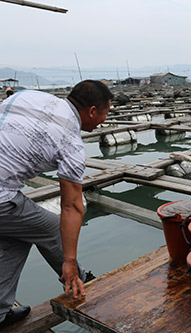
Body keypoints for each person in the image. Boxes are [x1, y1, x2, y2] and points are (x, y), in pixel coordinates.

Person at [0, 80, 114, 329]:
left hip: (5, 190)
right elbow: (71, 206)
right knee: (52, 227)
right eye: (105, 113)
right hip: (2, 197)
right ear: (92, 111)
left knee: (16, 236)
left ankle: (0, 311)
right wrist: (69, 262)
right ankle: (80, 280)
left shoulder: (29, 96)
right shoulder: (71, 143)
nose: (103, 122)